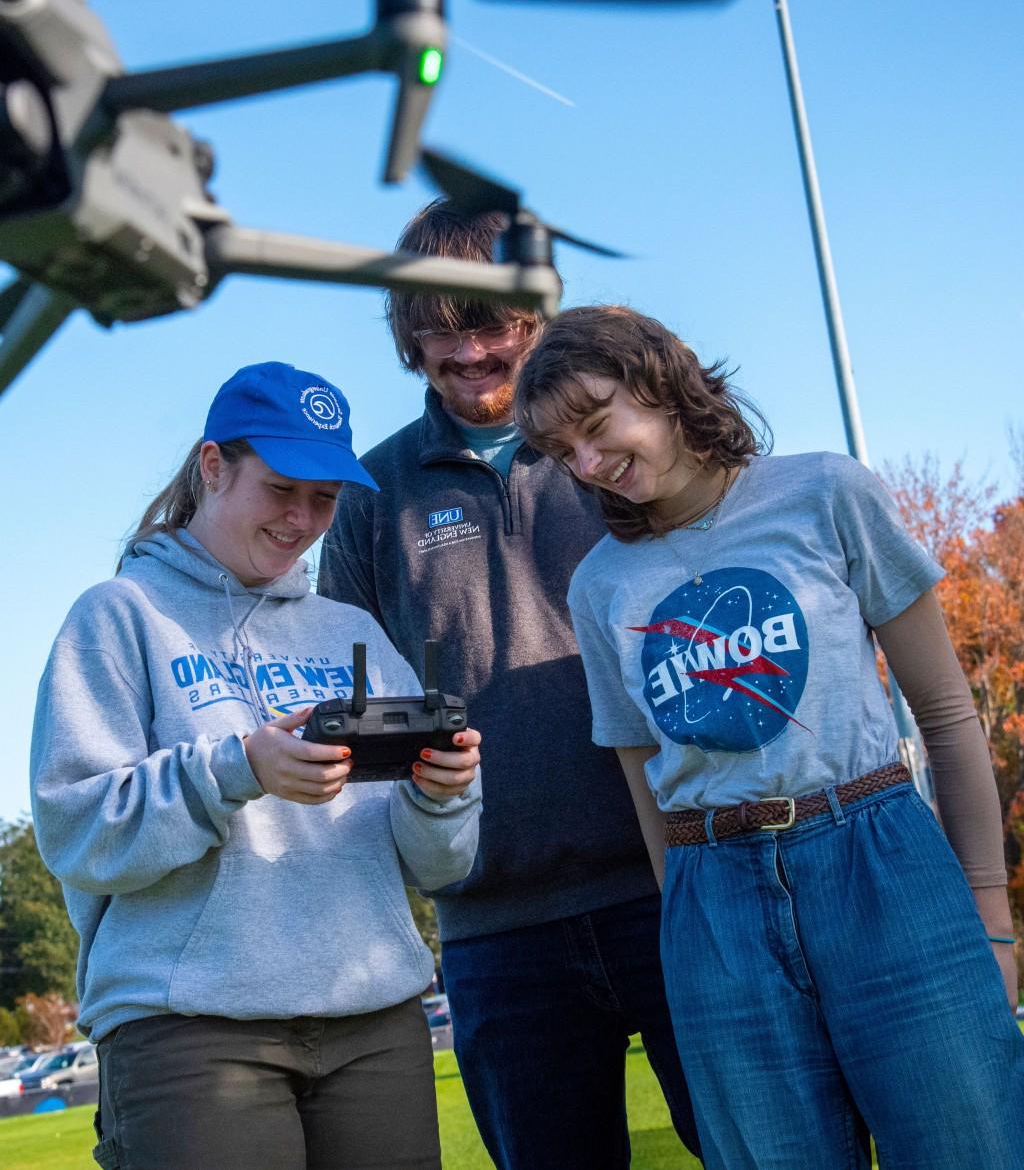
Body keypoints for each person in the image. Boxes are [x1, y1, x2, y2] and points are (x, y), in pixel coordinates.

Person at [513, 303, 1024, 1170]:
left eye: (598, 426)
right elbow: (646, 782)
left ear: (661, 380)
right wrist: (690, 928)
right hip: (715, 898)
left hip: (880, 856)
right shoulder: (601, 584)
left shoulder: (827, 491)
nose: (591, 465)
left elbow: (943, 710)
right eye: (566, 454)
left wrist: (991, 910)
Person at [318, 204, 701, 1170]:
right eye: (442, 327)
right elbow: (349, 696)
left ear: (538, 316)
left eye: (492, 322)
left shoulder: (617, 450)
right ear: (409, 335)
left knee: (758, 1145)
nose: (472, 350)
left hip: (675, 884)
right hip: (495, 929)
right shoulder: (368, 499)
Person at [31, 361, 482, 1170]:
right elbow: (78, 833)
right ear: (213, 465)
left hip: (375, 1018)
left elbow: (438, 865)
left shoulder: (354, 632)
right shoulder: (119, 616)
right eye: (282, 487)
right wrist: (237, 767)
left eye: (325, 497)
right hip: (192, 1029)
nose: (303, 517)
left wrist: (442, 796)